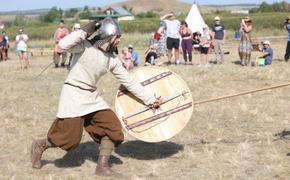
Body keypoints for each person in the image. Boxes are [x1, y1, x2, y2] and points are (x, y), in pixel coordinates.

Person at [30, 17, 161, 177]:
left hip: (91, 97)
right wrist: (85, 31)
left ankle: (102, 167)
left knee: (112, 127)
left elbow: (129, 82)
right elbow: (62, 45)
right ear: (107, 36)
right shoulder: (83, 47)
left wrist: (150, 100)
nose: (119, 40)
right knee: (68, 139)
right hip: (73, 95)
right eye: (117, 36)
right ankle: (40, 145)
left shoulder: (112, 60)